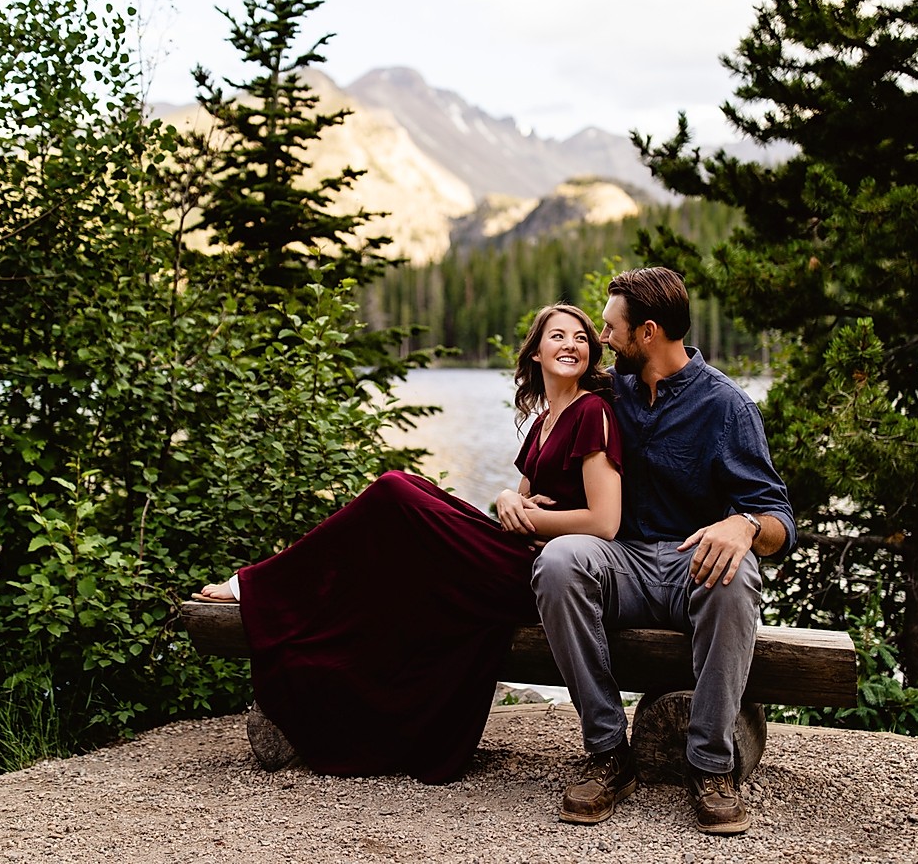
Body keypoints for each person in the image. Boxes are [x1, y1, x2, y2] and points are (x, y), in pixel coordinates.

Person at [193, 304, 623, 784]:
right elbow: (517, 508)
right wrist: (505, 495)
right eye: (558, 336)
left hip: (542, 576)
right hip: (513, 552)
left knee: (392, 492)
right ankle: (270, 589)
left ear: (592, 352)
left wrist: (536, 519)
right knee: (404, 485)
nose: (571, 345)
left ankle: (257, 585)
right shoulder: (546, 420)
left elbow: (605, 522)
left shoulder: (592, 411)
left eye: (582, 338)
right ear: (537, 353)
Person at [504, 268, 796, 834]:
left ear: (648, 333)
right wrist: (508, 495)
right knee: (560, 562)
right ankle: (609, 751)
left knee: (737, 576)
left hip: (695, 566)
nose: (602, 339)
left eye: (611, 329)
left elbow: (779, 519)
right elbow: (550, 440)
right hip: (625, 563)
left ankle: (712, 766)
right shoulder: (613, 392)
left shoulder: (726, 406)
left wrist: (743, 526)